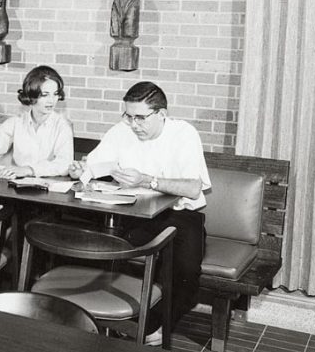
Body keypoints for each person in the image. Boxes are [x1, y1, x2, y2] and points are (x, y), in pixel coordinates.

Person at [69, 81, 211, 332]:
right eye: (129, 116)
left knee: (186, 270)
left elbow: (193, 188)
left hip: (179, 215)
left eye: (141, 118)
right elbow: (91, 166)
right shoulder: (122, 130)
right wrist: (79, 170)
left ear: (162, 114)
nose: (134, 125)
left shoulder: (183, 134)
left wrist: (147, 180)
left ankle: (155, 327)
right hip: (133, 214)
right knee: (93, 246)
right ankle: (99, 320)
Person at [0, 65, 74, 179]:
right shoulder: (15, 123)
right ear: (32, 95)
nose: (51, 100)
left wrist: (29, 170)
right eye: (45, 95)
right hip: (18, 187)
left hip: (50, 189)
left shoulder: (62, 126)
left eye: (55, 94)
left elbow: (65, 164)